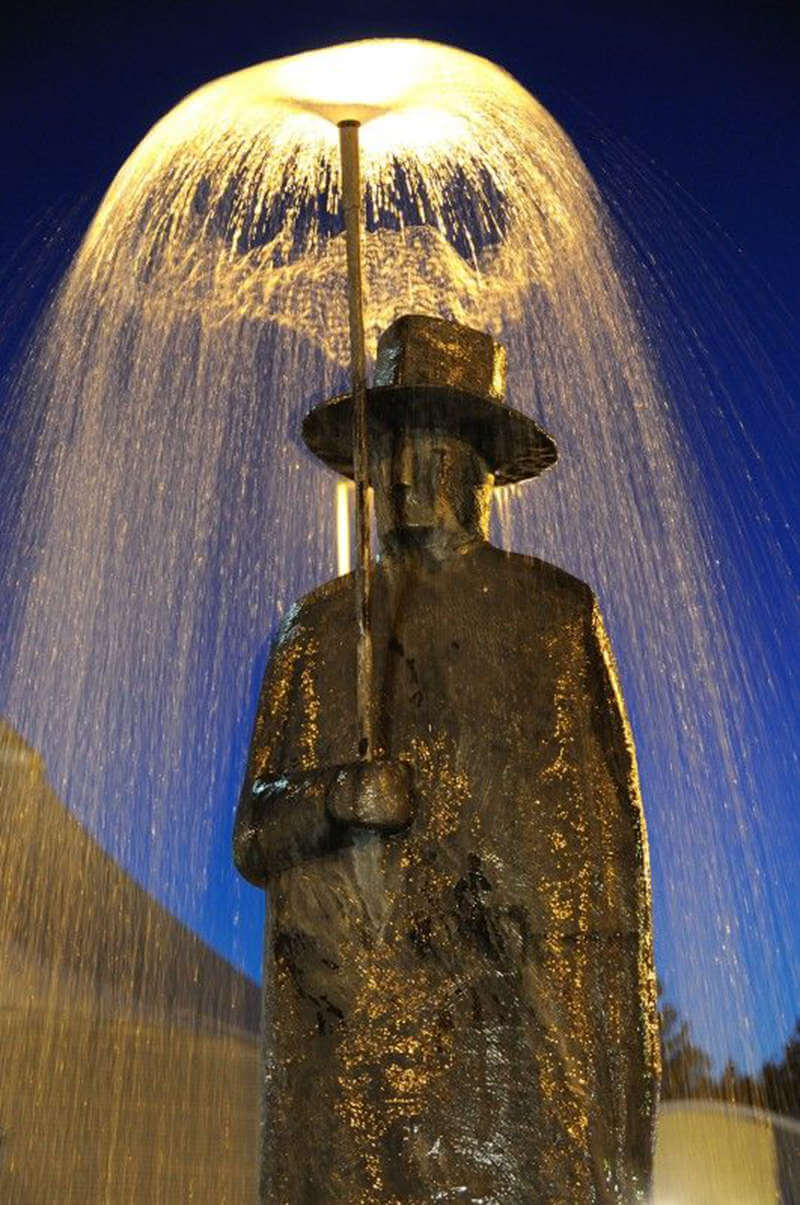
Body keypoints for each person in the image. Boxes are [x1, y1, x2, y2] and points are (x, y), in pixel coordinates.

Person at [234, 314, 659, 1203]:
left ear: (480, 465)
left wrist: (599, 1054)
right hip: (360, 1046)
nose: (401, 474)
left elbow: (609, 859)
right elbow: (253, 833)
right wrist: (334, 798)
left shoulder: (553, 615)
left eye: (430, 447)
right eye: (389, 448)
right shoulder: (319, 629)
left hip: (510, 1042)